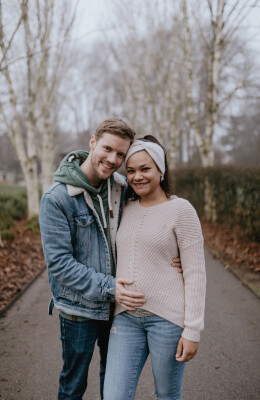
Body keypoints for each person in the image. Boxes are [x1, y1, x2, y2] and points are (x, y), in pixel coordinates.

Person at [39, 119, 182, 400]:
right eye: (107, 149)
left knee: (112, 387)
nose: (112, 159)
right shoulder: (56, 199)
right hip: (78, 309)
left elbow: (152, 215)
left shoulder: (121, 187)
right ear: (92, 143)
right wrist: (109, 286)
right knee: (73, 386)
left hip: (118, 309)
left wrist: (175, 254)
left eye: (120, 154)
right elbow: (59, 264)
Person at [103, 136, 206, 400]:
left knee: (167, 396)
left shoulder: (181, 210)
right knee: (114, 395)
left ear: (160, 170)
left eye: (145, 169)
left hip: (168, 320)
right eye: (131, 170)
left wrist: (192, 330)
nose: (137, 176)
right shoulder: (123, 207)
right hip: (125, 317)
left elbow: (196, 274)